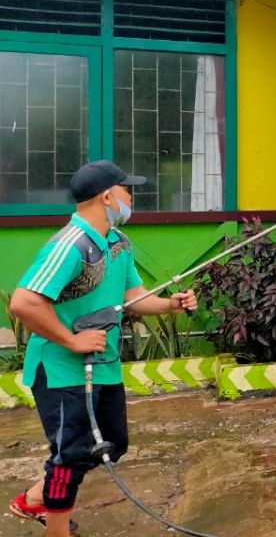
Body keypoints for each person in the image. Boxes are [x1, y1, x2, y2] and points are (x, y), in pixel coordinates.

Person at [7, 161, 197, 537]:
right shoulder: (70, 246)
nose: (132, 198)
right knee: (69, 456)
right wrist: (72, 339)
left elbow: (133, 297)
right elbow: (24, 303)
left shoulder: (118, 243)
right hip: (62, 370)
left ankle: (32, 499)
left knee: (112, 444)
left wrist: (169, 305)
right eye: (128, 190)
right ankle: (56, 530)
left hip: (102, 365)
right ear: (108, 196)